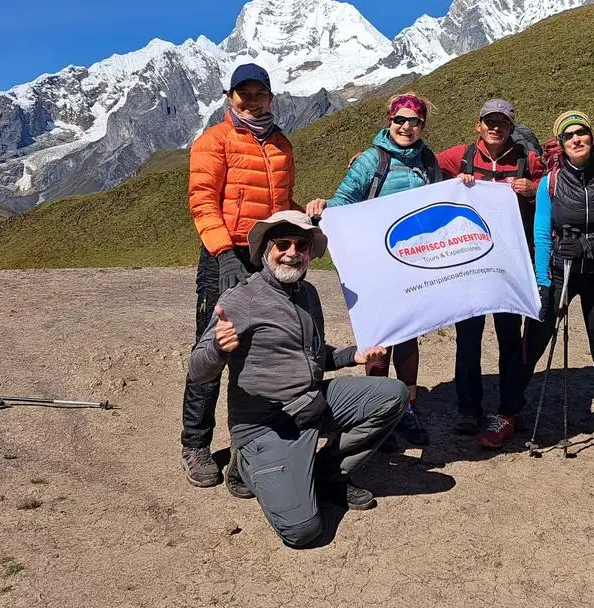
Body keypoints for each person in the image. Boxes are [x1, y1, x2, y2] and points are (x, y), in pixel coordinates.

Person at [188, 210, 407, 548]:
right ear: (265, 250)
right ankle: (245, 463)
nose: (292, 252)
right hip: (267, 424)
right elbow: (198, 371)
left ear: (308, 253)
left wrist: (353, 356)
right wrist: (218, 348)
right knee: (303, 531)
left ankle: (329, 474)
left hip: (312, 402)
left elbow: (313, 358)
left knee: (392, 395)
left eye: (301, 245)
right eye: (283, 244)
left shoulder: (308, 295)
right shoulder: (240, 299)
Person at [484, 110, 594, 464]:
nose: (576, 139)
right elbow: (540, 233)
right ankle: (508, 413)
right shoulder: (551, 182)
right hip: (558, 272)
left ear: (591, 137)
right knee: (530, 345)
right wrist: (541, 281)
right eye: (569, 136)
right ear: (561, 144)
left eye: (582, 133)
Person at [180, 62, 299, 496]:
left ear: (270, 97)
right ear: (231, 97)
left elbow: (282, 203)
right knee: (214, 348)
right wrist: (222, 252)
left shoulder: (282, 145)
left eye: (259, 94)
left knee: (261, 352)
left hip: (265, 258)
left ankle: (250, 444)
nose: (252, 101)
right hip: (224, 256)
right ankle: (195, 444)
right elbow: (202, 200)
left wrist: (307, 216)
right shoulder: (215, 140)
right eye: (243, 94)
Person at [305, 93, 442, 449]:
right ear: (389, 120)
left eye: (414, 121)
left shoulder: (428, 160)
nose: (406, 127)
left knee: (409, 335)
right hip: (375, 266)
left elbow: (438, 201)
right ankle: (378, 411)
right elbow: (343, 201)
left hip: (413, 263)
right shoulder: (370, 160)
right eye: (400, 120)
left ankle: (407, 408)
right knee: (379, 341)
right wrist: (323, 207)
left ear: (422, 125)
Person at [436, 99, 544, 436]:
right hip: (470, 263)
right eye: (489, 122)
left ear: (512, 127)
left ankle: (510, 408)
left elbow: (557, 188)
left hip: (509, 264)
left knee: (509, 338)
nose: (495, 127)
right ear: (478, 125)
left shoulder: (528, 160)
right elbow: (424, 162)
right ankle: (468, 410)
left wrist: (534, 188)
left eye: (503, 123)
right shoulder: (461, 156)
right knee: (468, 338)